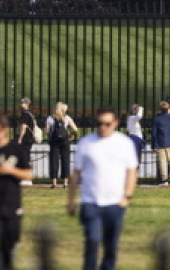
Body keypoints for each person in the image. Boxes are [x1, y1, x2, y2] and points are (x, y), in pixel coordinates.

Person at [68, 107, 138, 270]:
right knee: (92, 240)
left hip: (115, 202)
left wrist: (126, 196)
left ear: (115, 123)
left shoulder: (124, 143)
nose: (102, 127)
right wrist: (71, 201)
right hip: (90, 201)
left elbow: (131, 171)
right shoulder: (86, 143)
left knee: (111, 245)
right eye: (99, 123)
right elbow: (76, 174)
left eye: (107, 124)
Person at [0, 111, 32, 270]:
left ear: (6, 129)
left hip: (11, 204)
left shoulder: (16, 150)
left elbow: (28, 174)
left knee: (9, 245)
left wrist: (10, 170)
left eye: (0, 131)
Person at [45, 102, 78, 189]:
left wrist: (51, 133)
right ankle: (65, 183)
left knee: (54, 161)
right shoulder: (67, 118)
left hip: (54, 142)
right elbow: (75, 129)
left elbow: (47, 131)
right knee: (65, 161)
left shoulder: (50, 118)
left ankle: (54, 183)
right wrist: (71, 135)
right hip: (65, 141)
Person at [151, 101, 170, 185]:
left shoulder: (157, 119)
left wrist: (153, 145)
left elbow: (154, 133)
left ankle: (164, 179)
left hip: (160, 143)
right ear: (168, 109)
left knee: (162, 161)